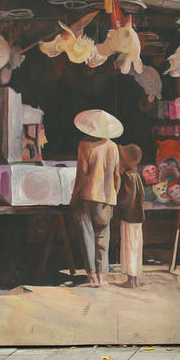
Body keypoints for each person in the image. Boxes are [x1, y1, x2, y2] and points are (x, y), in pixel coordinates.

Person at [70, 109, 123, 288]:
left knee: (87, 235)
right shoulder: (113, 147)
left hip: (87, 195)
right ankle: (102, 276)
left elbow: (82, 172)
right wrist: (113, 194)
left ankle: (91, 276)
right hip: (106, 198)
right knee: (103, 236)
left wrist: (75, 193)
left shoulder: (85, 145)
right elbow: (117, 176)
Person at [115, 144, 145, 288]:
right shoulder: (136, 175)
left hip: (128, 216)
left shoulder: (127, 176)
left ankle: (131, 281)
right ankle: (136, 279)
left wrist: (118, 202)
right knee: (136, 246)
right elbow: (142, 195)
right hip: (138, 216)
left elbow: (126, 199)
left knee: (129, 247)